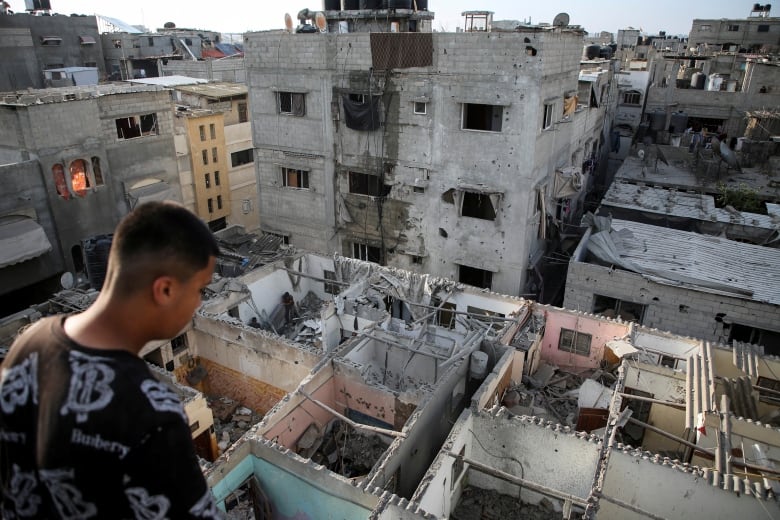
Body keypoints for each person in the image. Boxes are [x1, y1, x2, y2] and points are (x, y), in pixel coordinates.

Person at [0, 201, 223, 519]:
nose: (200, 302)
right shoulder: (150, 411)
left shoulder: (29, 343)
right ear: (165, 289)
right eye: (200, 289)